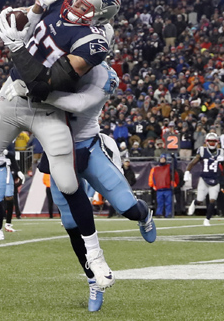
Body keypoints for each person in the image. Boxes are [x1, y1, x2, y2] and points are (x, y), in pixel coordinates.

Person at [0, 0, 120, 290]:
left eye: (83, 5)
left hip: (48, 106)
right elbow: (10, 20)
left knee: (66, 181)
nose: (73, 4)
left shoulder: (94, 43)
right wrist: (35, 8)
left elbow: (43, 83)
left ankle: (95, 255)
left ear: (98, 17)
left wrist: (15, 45)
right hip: (11, 98)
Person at [42, 61, 156, 311]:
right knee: (73, 226)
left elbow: (79, 103)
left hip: (89, 148)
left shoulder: (101, 74)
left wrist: (43, 91)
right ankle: (93, 280)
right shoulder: (49, 64)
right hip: (58, 154)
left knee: (127, 208)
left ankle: (143, 212)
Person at [184, 132, 224, 226]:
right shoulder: (202, 151)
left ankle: (207, 219)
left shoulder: (220, 152)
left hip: (215, 179)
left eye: (214, 141)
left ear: (217, 142)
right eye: (210, 141)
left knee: (213, 200)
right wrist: (187, 171)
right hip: (204, 179)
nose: (212, 143)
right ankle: (195, 202)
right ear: (206, 142)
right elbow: (193, 162)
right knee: (200, 199)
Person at [149, 154, 179, 218]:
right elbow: (153, 177)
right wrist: (154, 185)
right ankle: (159, 213)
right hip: (159, 188)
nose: (162, 160)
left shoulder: (168, 167)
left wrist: (174, 158)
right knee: (160, 203)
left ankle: (168, 214)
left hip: (167, 188)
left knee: (168, 203)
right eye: (161, 159)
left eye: (163, 159)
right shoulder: (155, 168)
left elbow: (175, 166)